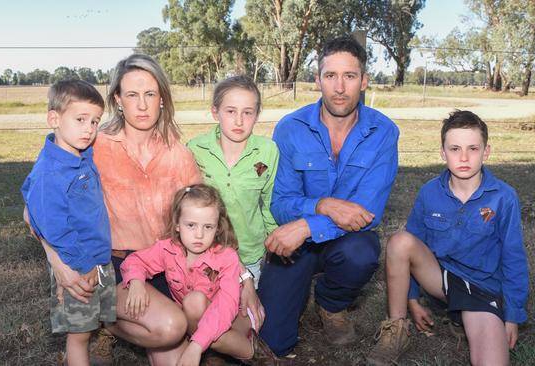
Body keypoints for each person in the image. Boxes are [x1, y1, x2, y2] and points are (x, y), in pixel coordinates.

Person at [27, 54, 265, 365]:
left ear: (162, 99)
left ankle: (123, 323)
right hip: (110, 266)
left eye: (150, 94)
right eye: (132, 95)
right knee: (170, 327)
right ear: (117, 99)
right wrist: (58, 262)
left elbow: (206, 219)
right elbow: (34, 210)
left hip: (167, 264)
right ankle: (105, 320)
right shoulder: (91, 147)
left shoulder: (178, 154)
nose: (142, 105)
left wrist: (243, 276)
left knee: (180, 348)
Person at [257, 35, 400, 358]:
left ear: (363, 81)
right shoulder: (290, 128)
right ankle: (294, 290)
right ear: (317, 80)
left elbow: (367, 213)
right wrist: (324, 205)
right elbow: (280, 204)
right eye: (330, 76)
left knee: (362, 253)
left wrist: (307, 225)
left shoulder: (384, 132)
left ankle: (331, 303)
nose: (339, 87)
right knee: (273, 342)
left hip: (344, 240)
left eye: (349, 76)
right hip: (295, 245)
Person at [367, 110, 529, 366]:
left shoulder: (504, 197)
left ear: (486, 152)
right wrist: (413, 300)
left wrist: (512, 316)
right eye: (454, 149)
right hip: (440, 280)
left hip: (481, 288)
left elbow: (514, 259)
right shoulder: (430, 192)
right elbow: (411, 248)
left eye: (473, 148)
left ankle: (462, 316)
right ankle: (396, 329)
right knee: (400, 241)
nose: (463, 157)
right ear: (443, 153)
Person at [121, 184, 277, 366]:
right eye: (191, 225)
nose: (199, 234)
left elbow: (225, 308)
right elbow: (135, 261)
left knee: (195, 304)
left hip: (236, 318)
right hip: (195, 318)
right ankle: (209, 352)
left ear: (218, 228)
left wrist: (196, 345)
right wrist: (136, 282)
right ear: (177, 224)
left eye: (208, 227)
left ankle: (254, 353)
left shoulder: (226, 257)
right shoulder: (167, 249)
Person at [21, 79, 116, 365]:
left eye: (95, 121)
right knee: (78, 335)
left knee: (92, 326)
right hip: (79, 265)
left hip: (98, 260)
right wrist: (81, 263)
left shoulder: (82, 155)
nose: (89, 129)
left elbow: (26, 191)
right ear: (54, 118)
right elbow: (55, 227)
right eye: (80, 119)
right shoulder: (51, 171)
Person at [187, 75, 279, 287]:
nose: (239, 121)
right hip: (204, 250)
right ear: (215, 112)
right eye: (230, 111)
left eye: (247, 112)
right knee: (205, 309)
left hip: (249, 251)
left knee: (245, 312)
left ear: (257, 115)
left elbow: (269, 201)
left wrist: (274, 239)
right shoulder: (195, 149)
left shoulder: (267, 151)